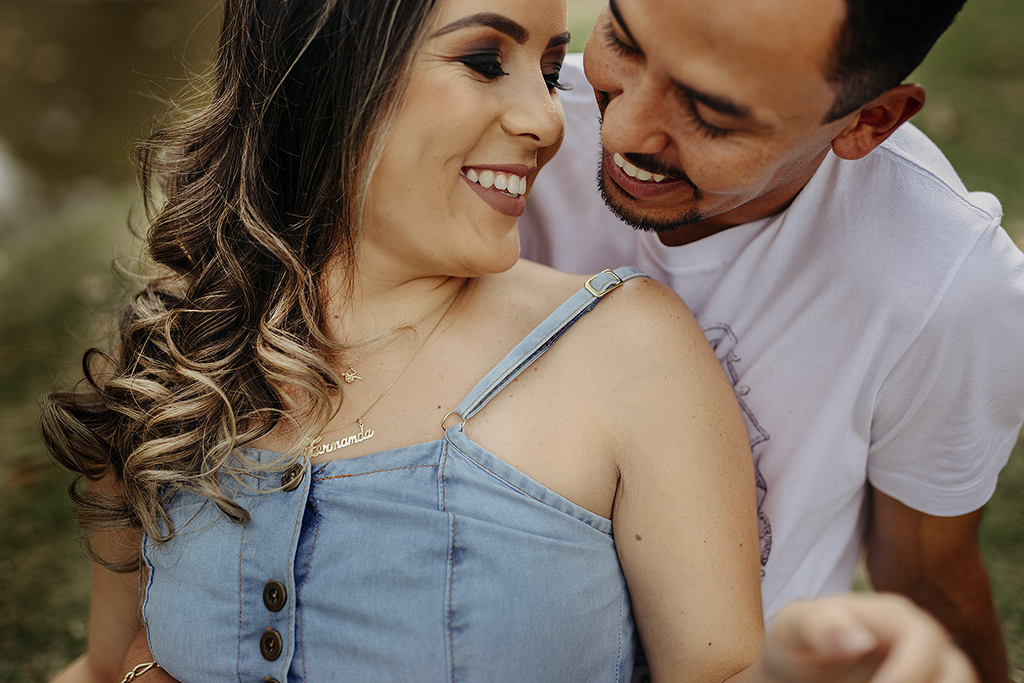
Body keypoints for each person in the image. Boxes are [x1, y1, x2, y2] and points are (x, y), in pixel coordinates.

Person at [42, 0, 979, 681]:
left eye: (547, 63)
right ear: (329, 70)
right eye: (491, 61)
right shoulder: (177, 354)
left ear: (866, 122)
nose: (555, 120)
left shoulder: (630, 349)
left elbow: (735, 663)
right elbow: (111, 657)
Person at [518, 0, 1024, 681]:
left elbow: (929, 574)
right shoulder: (513, 130)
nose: (625, 128)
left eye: (712, 115)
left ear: (868, 122)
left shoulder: (947, 287)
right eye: (625, 42)